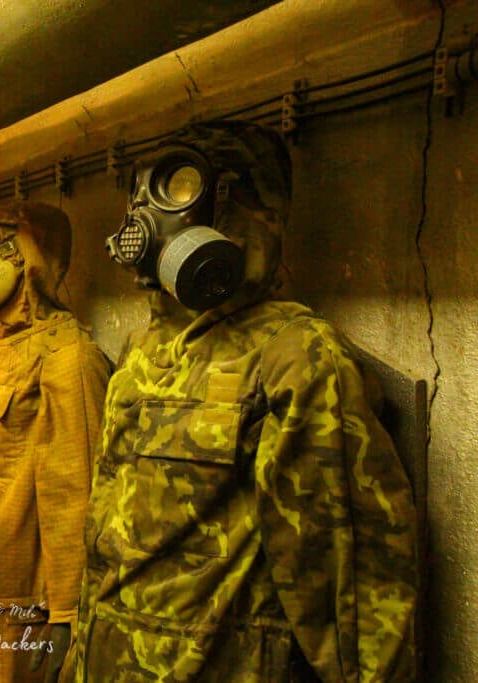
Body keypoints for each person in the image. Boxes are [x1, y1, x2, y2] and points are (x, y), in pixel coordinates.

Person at [75, 121, 418, 682]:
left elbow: (350, 589)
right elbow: (105, 546)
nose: (146, 214)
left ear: (238, 211)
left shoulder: (296, 357)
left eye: (177, 189)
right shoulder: (143, 351)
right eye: (143, 191)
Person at [0, 202, 110, 682]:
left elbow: (74, 497)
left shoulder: (67, 357)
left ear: (31, 260)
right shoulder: (0, 343)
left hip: (19, 606)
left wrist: (66, 614)